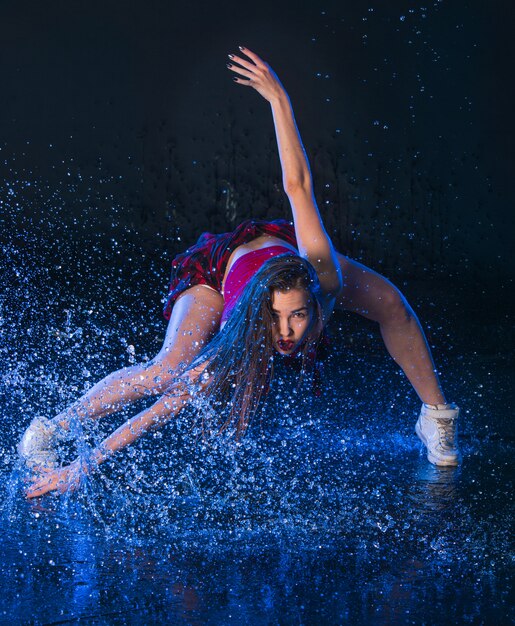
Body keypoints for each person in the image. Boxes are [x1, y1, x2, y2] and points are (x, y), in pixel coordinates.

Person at [20, 47, 459, 498]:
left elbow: (298, 185)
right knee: (169, 374)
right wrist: (80, 468)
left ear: (316, 304)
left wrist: (280, 100)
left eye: (298, 316)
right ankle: (52, 428)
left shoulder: (325, 277)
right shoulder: (243, 326)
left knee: (391, 303)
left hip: (284, 257)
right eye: (278, 318)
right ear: (260, 312)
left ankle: (437, 416)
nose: (286, 332)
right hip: (219, 272)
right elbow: (162, 409)